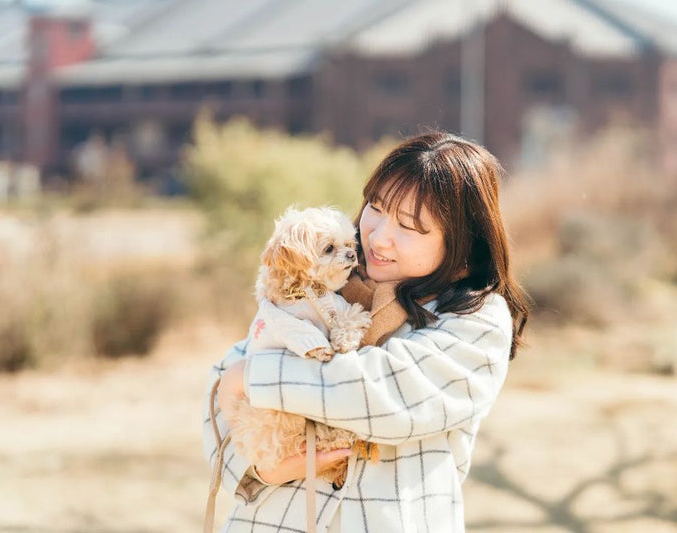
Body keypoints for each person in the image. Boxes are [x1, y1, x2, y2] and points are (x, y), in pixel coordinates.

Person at [203, 131, 529, 532]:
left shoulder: (474, 318)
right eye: (376, 207)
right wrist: (262, 470)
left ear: (461, 242)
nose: (377, 236)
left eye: (410, 226)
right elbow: (217, 408)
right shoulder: (322, 286)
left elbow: (376, 393)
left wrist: (249, 377)